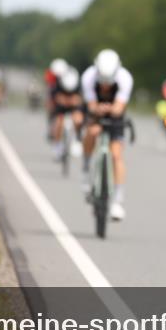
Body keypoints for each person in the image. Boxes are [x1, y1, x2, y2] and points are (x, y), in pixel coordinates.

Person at [81, 49, 134, 221]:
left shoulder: (125, 78)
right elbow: (90, 105)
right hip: (95, 112)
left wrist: (109, 109)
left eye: (108, 82)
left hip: (115, 114)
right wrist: (97, 109)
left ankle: (118, 200)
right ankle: (87, 167)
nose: (104, 86)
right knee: (92, 132)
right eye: (102, 82)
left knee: (116, 154)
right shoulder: (88, 76)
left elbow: (119, 107)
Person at [50, 66, 84, 160]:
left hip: (74, 107)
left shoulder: (78, 83)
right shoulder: (58, 82)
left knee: (78, 119)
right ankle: (57, 146)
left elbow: (82, 98)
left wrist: (75, 100)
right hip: (61, 107)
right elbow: (54, 96)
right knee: (58, 123)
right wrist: (62, 100)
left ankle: (77, 139)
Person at [45, 58, 68, 140]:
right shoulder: (50, 75)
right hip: (53, 92)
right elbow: (50, 89)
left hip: (64, 91)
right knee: (50, 106)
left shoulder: (67, 76)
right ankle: (51, 125)